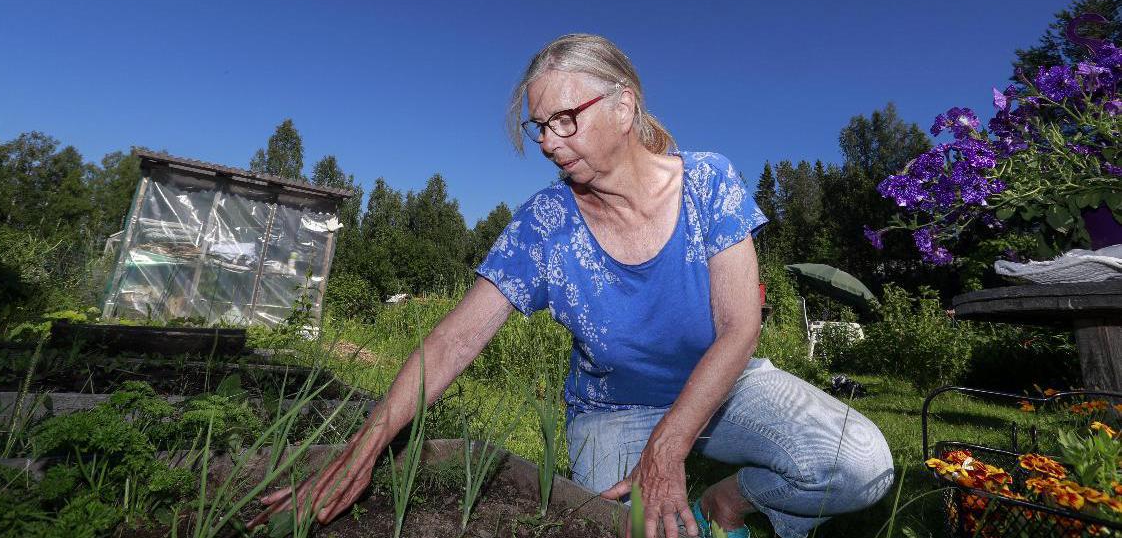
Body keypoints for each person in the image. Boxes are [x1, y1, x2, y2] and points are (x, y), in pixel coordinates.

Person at [249, 34, 894, 538]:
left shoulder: (709, 182)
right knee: (625, 530)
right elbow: (452, 342)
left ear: (624, 103)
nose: (550, 145)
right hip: (615, 412)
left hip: (728, 383)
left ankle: (730, 499)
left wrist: (667, 452)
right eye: (539, 128)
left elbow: (739, 327)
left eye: (565, 119)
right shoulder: (545, 226)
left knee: (864, 463)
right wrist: (359, 456)